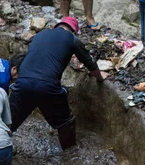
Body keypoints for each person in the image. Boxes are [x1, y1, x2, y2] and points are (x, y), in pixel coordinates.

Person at [9, 17, 108, 150]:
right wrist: (100, 78)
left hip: (22, 82)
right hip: (47, 85)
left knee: (9, 122)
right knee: (66, 122)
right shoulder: (72, 39)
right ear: (73, 31)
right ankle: (70, 157)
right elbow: (90, 63)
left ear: (57, 26)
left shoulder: (40, 35)